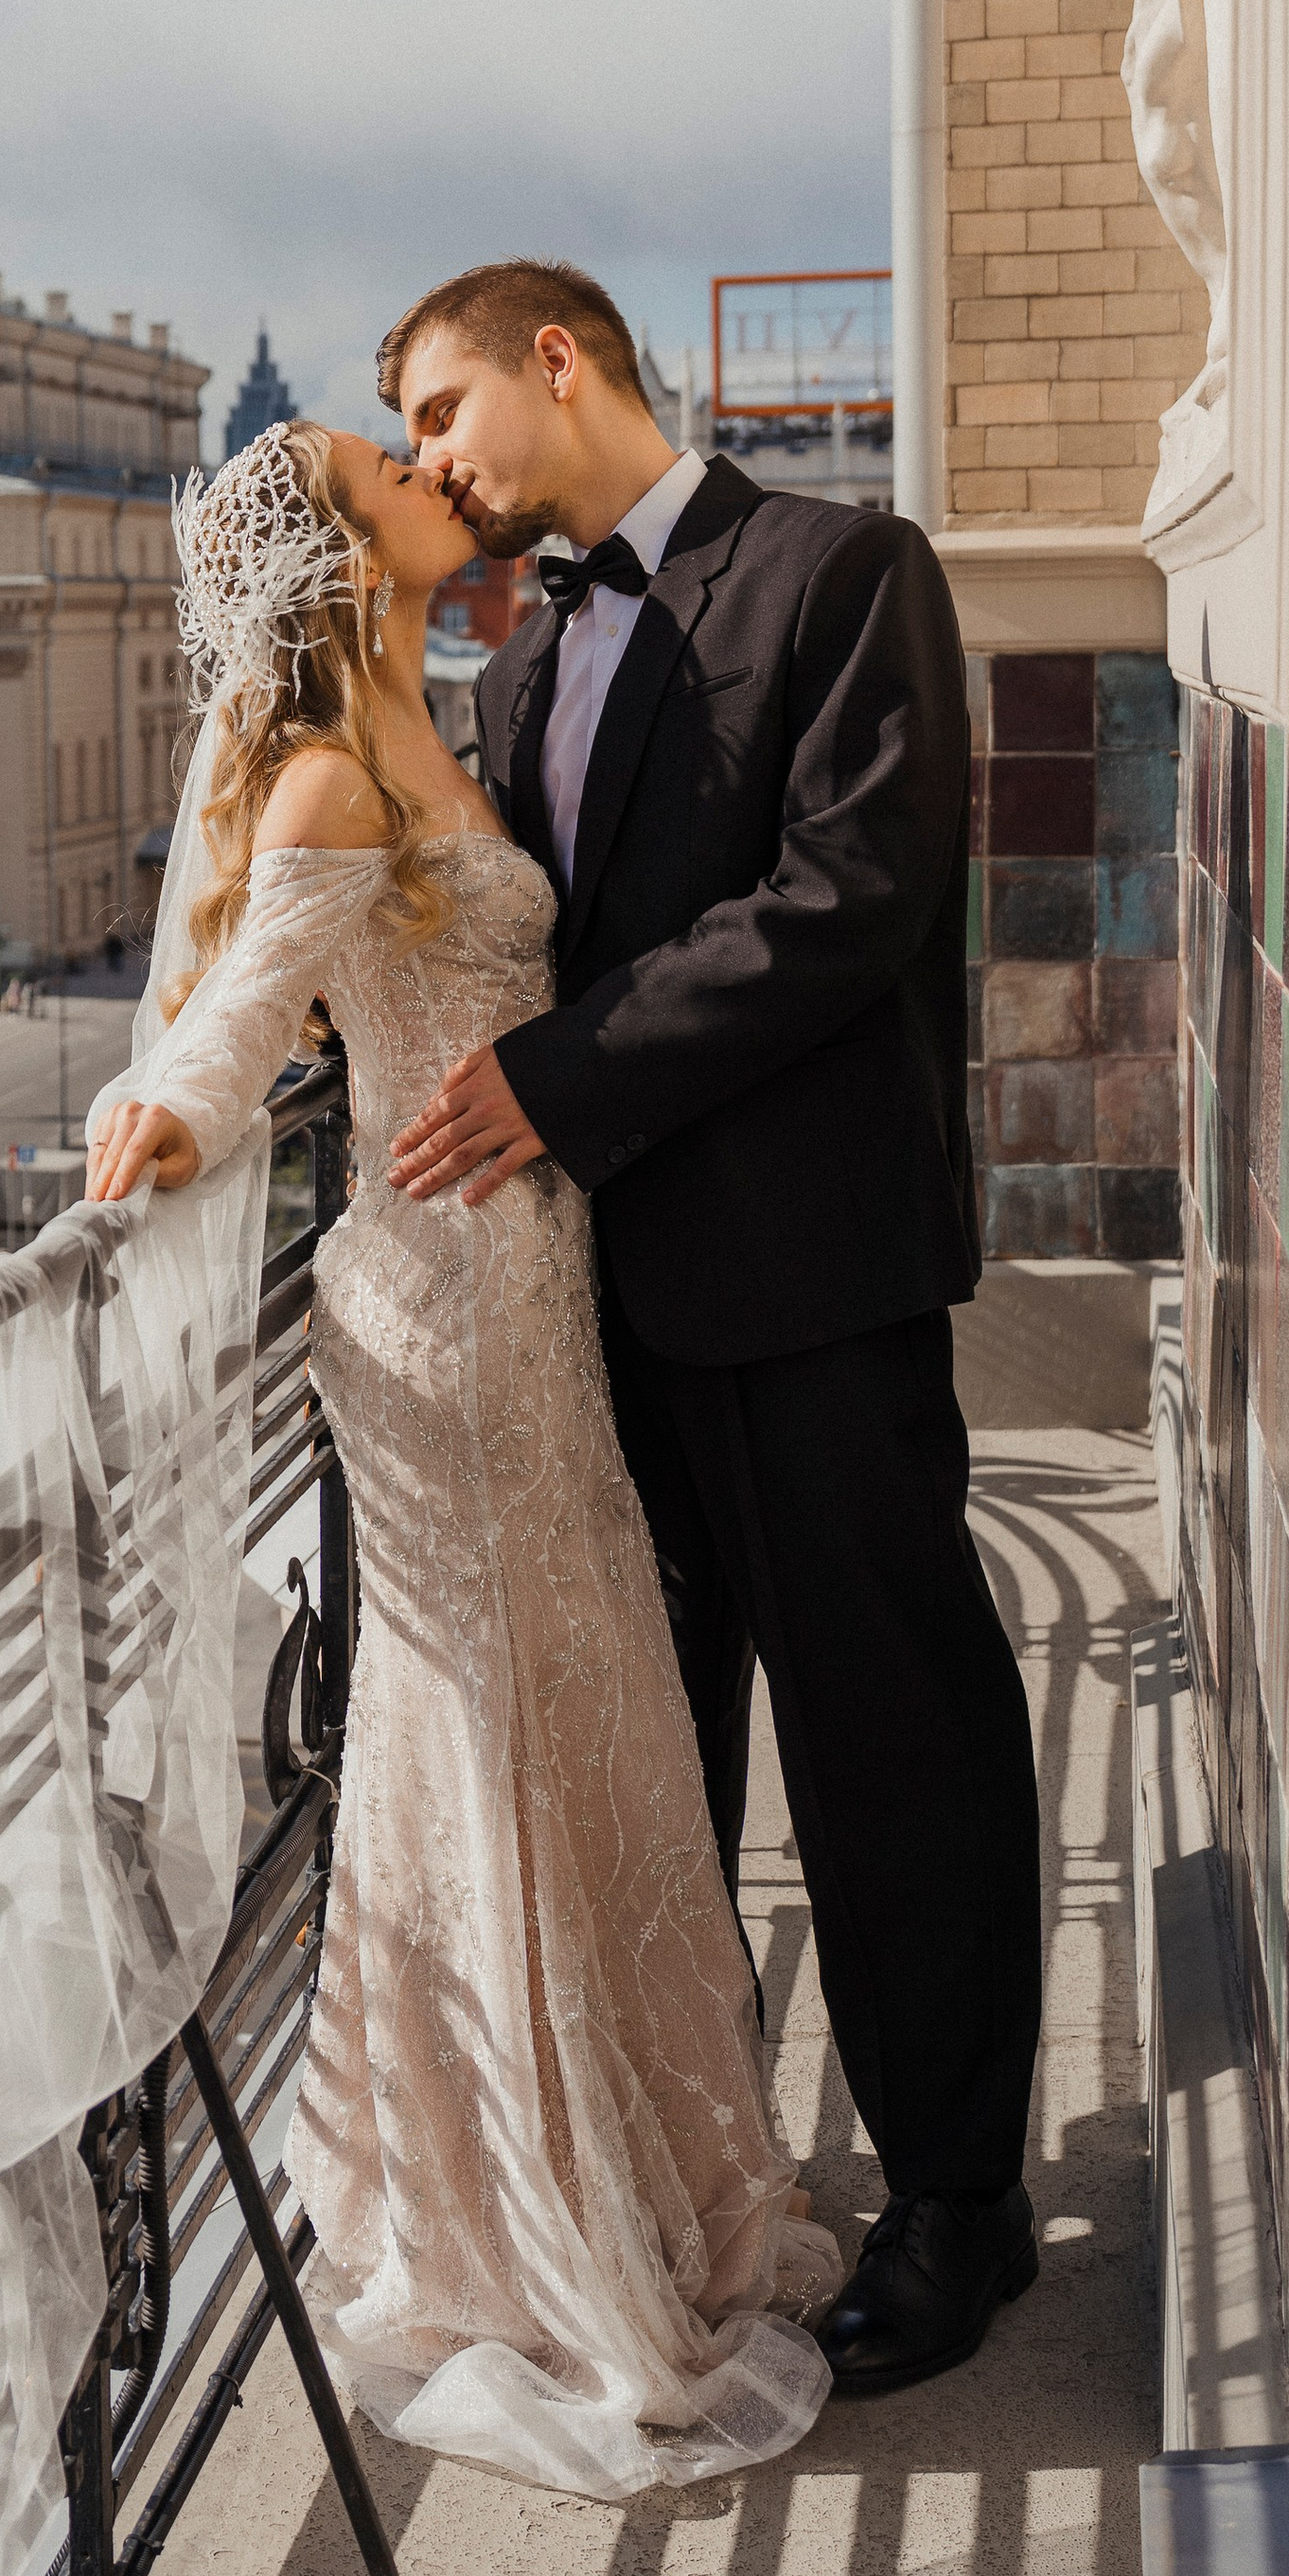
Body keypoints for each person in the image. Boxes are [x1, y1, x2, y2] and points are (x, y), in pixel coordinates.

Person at [86, 419, 837, 2498]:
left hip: (532, 1294)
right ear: (344, 551)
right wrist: (166, 1116)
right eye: (387, 464)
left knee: (570, 1721)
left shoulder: (449, 720)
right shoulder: (335, 772)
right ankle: (507, 2225)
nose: (434, 471)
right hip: (435, 1305)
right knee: (487, 1733)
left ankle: (611, 2180)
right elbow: (249, 1006)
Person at [380, 259, 1039, 2397]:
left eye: (441, 409)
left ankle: (959, 2204)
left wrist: (559, 1080)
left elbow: (849, 899)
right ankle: (702, 2181)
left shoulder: (842, 572)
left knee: (888, 1743)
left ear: (556, 360)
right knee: (653, 1780)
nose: (427, 460)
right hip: (587, 1323)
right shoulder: (514, 665)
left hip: (810, 1289)